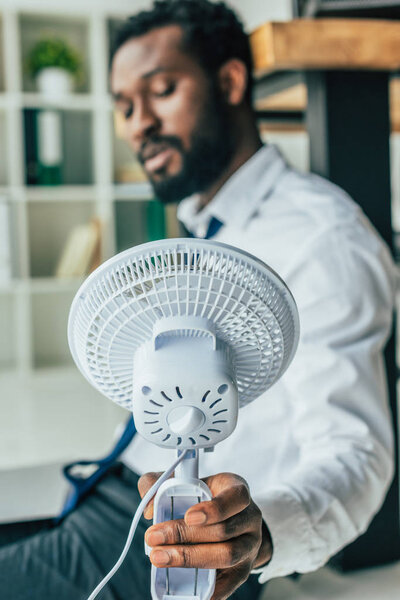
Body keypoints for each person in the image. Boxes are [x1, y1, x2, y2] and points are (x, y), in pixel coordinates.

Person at [0, 1, 396, 599]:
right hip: (116, 491)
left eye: (161, 91)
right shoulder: (206, 231)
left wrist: (260, 535)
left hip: (186, 543)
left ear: (231, 82)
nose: (138, 124)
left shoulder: (322, 239)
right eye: (125, 107)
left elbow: (355, 456)